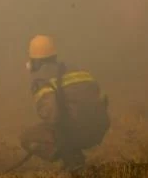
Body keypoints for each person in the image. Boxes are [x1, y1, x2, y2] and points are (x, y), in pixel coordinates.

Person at [19, 34, 110, 173]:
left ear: (35, 61)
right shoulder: (74, 67)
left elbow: (52, 116)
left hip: (79, 132)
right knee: (67, 122)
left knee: (27, 137)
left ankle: (73, 160)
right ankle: (74, 156)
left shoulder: (42, 80)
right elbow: (97, 92)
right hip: (100, 127)